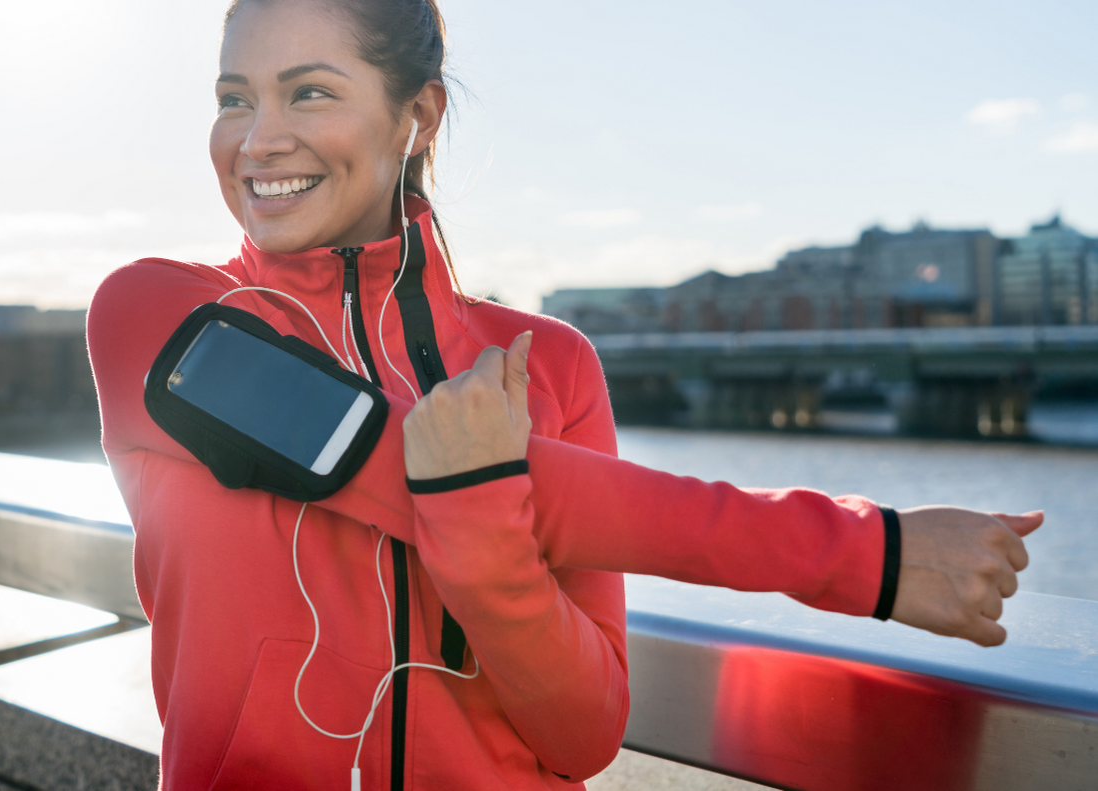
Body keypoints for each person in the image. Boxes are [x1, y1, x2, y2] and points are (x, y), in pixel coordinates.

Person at [85, 0, 1044, 788]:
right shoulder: (153, 315)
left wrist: (483, 535)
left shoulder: (551, 363)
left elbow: (582, 739)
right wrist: (869, 554)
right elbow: (390, 458)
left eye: (310, 92)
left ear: (416, 117)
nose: (257, 139)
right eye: (232, 97)